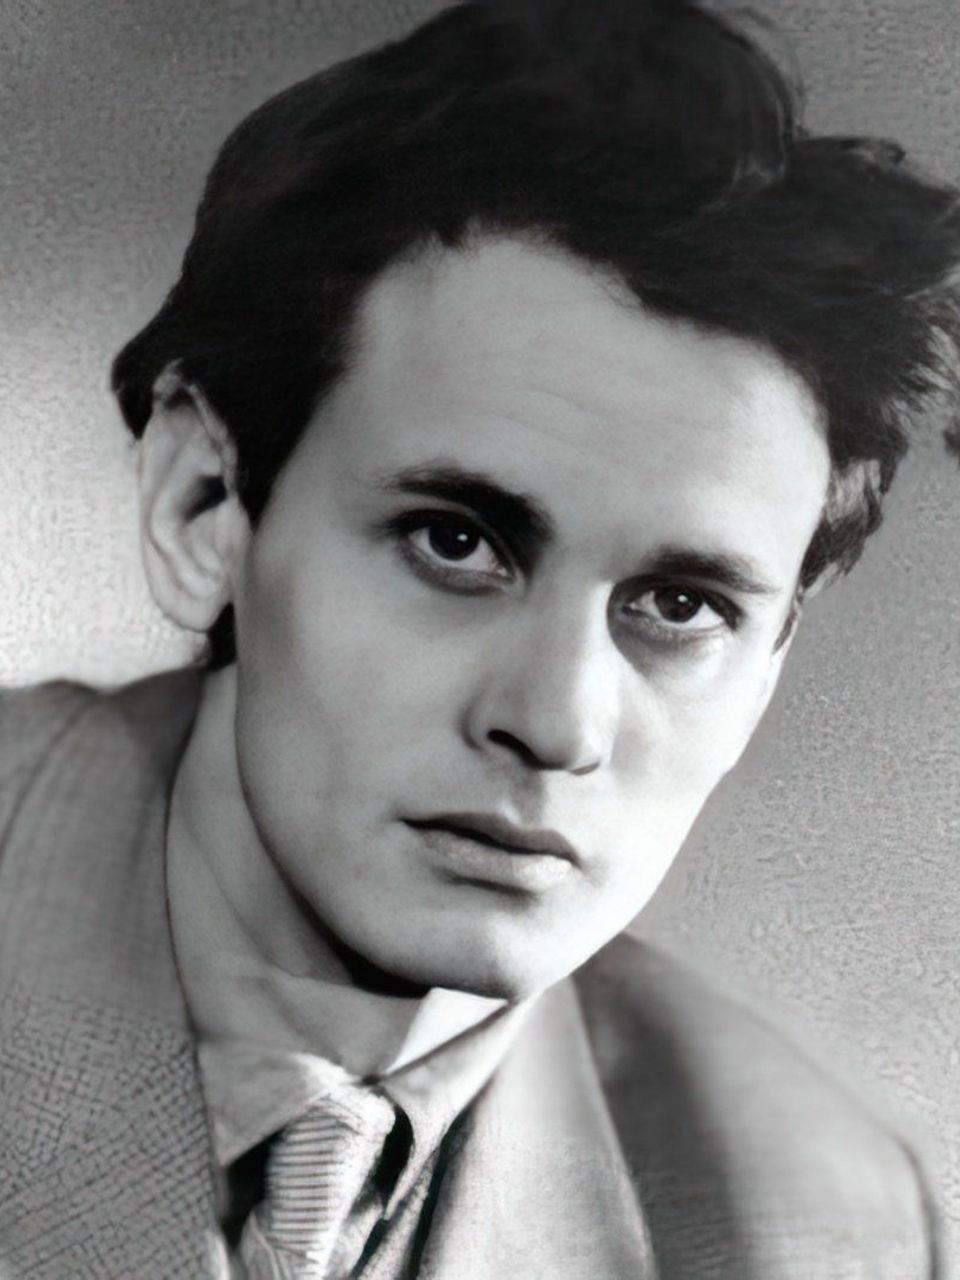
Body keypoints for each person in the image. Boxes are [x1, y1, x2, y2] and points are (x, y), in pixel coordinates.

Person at [1, 0, 958, 1276]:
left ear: (774, 658)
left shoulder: (818, 1225)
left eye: (681, 606)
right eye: (455, 541)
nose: (555, 720)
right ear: (204, 504)